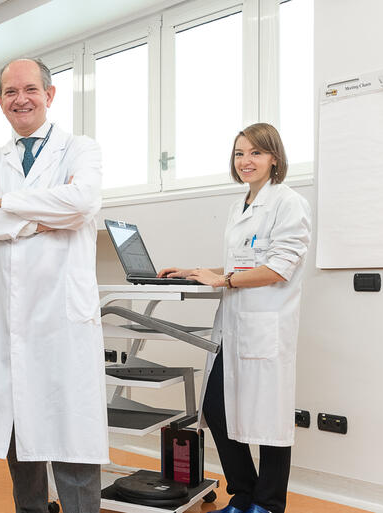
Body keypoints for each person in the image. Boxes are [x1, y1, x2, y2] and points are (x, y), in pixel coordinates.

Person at [0, 57, 108, 513]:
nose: (20, 99)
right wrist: (37, 222)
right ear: (0, 100)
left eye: (29, 90)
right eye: (10, 92)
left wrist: (6, 204)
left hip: (62, 315)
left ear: (49, 94)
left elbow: (81, 202)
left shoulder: (80, 149)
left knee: (71, 432)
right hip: (11, 318)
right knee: (17, 427)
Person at [157, 123, 311, 513]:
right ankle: (243, 496)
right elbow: (239, 265)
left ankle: (268, 504)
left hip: (265, 324)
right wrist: (196, 272)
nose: (246, 161)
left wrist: (222, 279)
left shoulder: (288, 202)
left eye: (256, 152)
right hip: (234, 324)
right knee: (216, 407)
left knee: (271, 418)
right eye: (240, 153)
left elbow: (278, 268)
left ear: (274, 157)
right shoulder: (238, 206)